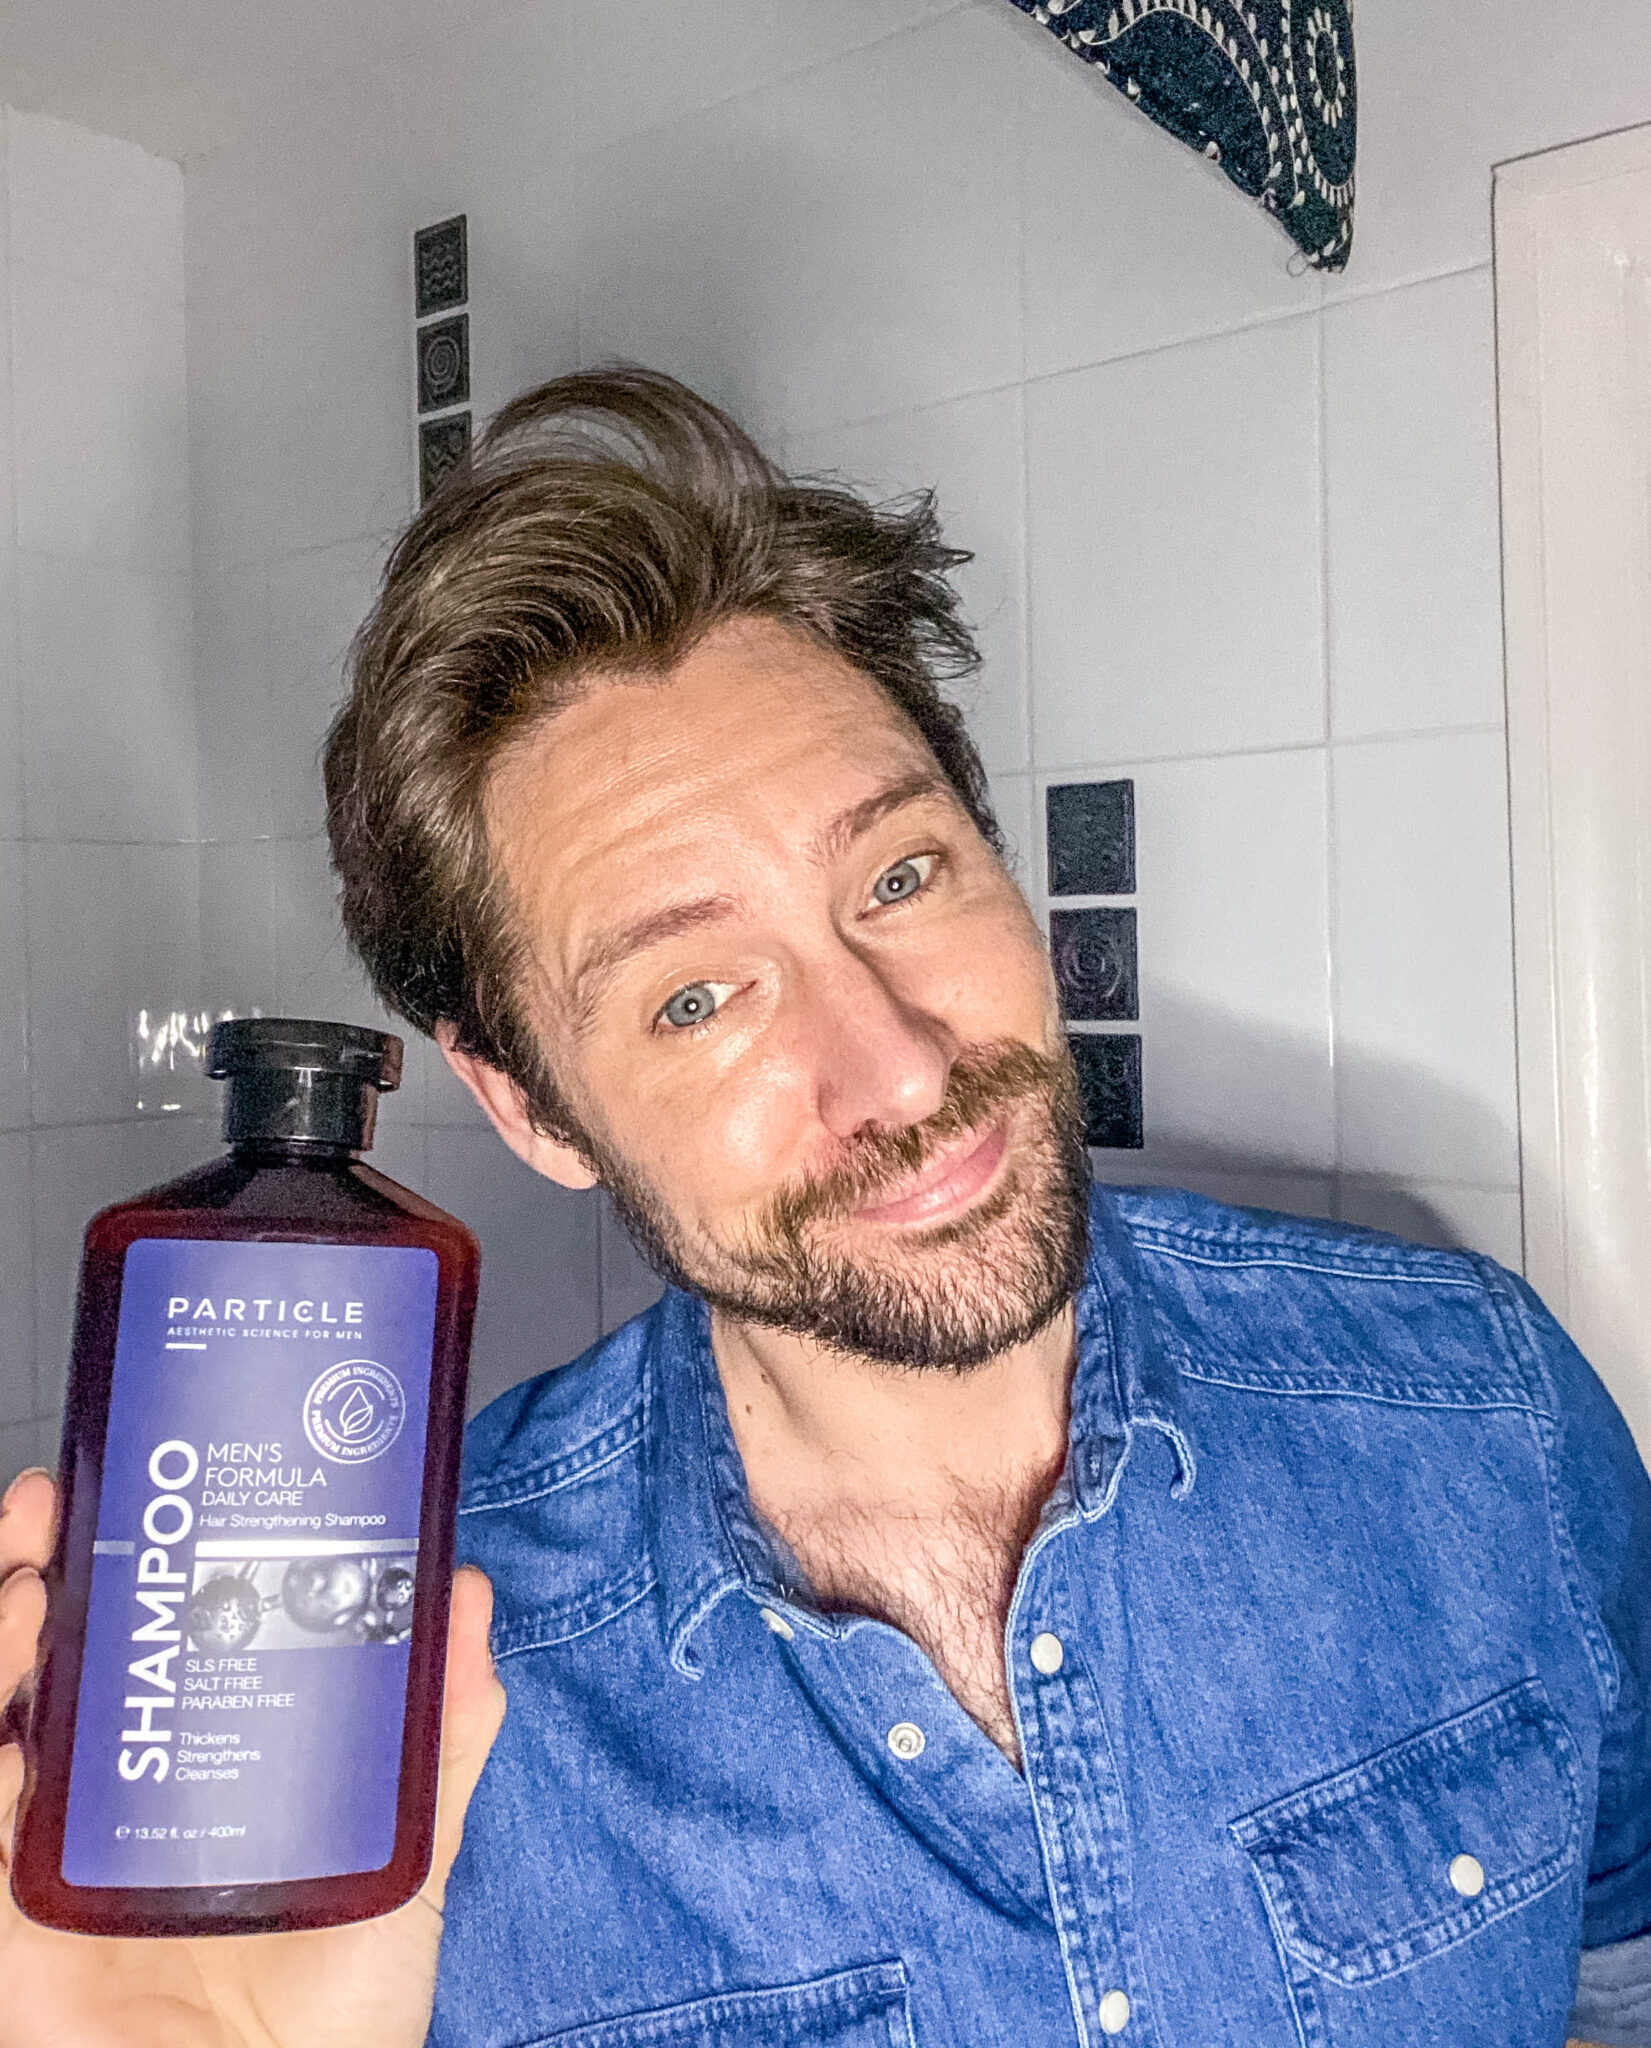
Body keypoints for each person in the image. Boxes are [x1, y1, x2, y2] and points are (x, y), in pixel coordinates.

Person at [2, 369, 1648, 2048]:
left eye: (901, 878)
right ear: (528, 1104)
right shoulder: (386, 1733)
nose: (900, 1069)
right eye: (697, 997)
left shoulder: (1480, 1407)